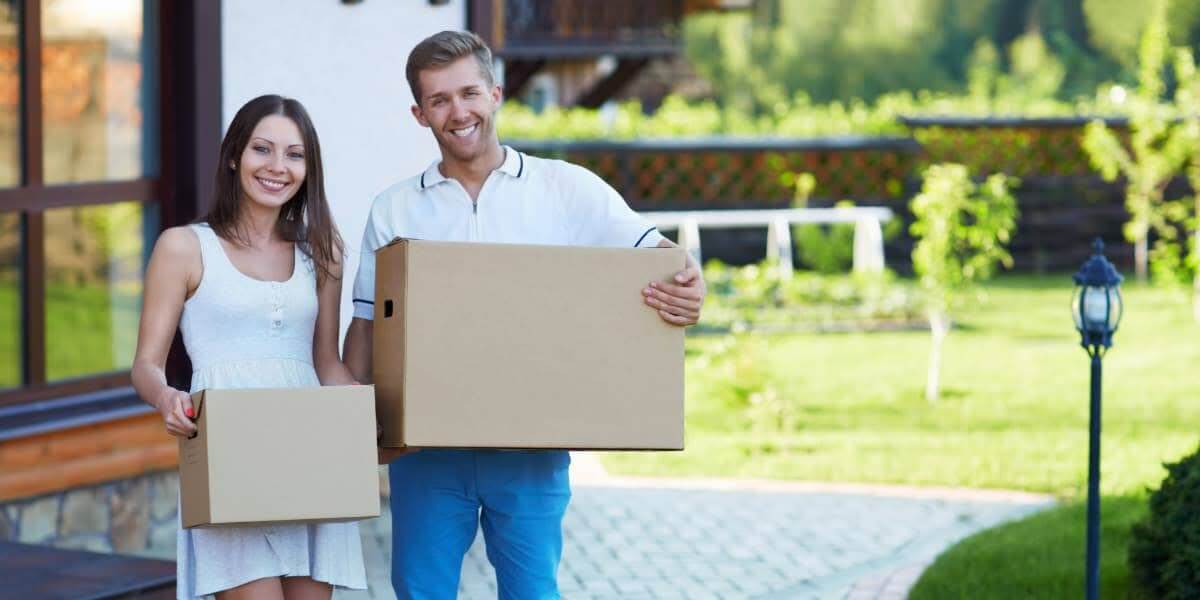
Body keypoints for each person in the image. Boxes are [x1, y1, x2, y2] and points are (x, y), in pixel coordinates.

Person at [342, 30, 706, 599]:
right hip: (426, 454)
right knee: (420, 592)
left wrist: (689, 282)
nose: (457, 112)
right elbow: (366, 324)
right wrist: (350, 423)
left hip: (532, 450)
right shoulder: (394, 208)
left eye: (468, 93)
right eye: (439, 100)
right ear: (419, 114)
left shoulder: (565, 188)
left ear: (495, 93)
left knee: (533, 593)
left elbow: (658, 256)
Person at [131, 94, 366, 600]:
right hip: (229, 453)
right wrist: (166, 397)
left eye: (295, 155)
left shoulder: (321, 251)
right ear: (235, 155)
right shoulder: (184, 247)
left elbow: (326, 362)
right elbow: (146, 365)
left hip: (310, 449)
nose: (278, 167)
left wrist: (368, 410)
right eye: (263, 149)